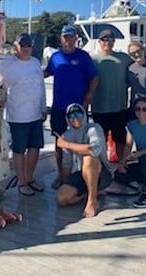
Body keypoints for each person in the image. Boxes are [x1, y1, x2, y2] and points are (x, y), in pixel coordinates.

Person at [44, 25, 98, 189]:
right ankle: (61, 176)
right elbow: (46, 73)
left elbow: (94, 78)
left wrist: (89, 95)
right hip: (59, 108)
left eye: (71, 37)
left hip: (77, 109)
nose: (68, 39)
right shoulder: (55, 57)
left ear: (76, 39)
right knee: (59, 142)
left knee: (82, 142)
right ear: (61, 38)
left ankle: (83, 175)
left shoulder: (83, 56)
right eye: (65, 37)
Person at [0, 33, 47, 196]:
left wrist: (43, 107)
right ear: (16, 46)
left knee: (35, 147)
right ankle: (21, 181)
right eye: (22, 45)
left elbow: (41, 86)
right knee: (19, 149)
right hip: (17, 115)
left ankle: (30, 178)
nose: (26, 48)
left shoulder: (35, 63)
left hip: (35, 114)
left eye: (28, 45)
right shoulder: (6, 64)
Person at [55, 103, 111, 218]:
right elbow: (67, 164)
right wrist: (65, 182)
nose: (75, 118)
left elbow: (94, 150)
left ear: (84, 115)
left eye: (78, 114)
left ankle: (92, 200)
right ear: (67, 119)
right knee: (61, 200)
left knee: (88, 157)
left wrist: (66, 144)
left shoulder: (94, 128)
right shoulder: (66, 135)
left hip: (102, 174)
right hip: (81, 174)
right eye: (71, 116)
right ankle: (87, 194)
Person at [90, 29, 134, 162]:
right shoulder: (92, 59)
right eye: (104, 39)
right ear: (99, 42)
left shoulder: (124, 58)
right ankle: (101, 167)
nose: (107, 42)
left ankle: (121, 166)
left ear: (114, 42)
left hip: (119, 107)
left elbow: (139, 68)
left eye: (109, 39)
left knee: (120, 138)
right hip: (99, 107)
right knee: (100, 140)